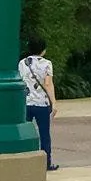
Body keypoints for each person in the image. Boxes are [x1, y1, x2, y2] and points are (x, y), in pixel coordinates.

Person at [19, 37, 60, 172]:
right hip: (41, 103)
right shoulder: (47, 64)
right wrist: (53, 102)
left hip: (26, 102)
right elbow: (48, 84)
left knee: (24, 132)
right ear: (43, 49)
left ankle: (23, 159)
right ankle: (46, 162)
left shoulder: (22, 63)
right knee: (44, 134)